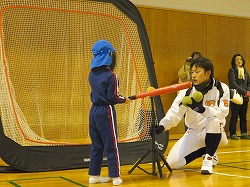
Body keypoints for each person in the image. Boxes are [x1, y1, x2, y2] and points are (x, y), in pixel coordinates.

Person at [154, 56, 230, 174]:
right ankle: (208, 150)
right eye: (192, 72)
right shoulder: (187, 91)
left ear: (208, 73)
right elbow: (175, 111)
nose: (193, 75)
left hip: (214, 129)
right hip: (193, 130)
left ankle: (208, 159)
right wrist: (162, 126)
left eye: (197, 72)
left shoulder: (222, 88)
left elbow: (222, 112)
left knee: (214, 120)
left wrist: (203, 110)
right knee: (172, 163)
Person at [88, 40, 127, 185]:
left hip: (93, 112)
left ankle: (94, 175)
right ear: (109, 55)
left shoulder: (92, 74)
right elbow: (113, 97)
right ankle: (115, 176)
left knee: (97, 144)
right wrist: (125, 100)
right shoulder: (112, 76)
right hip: (106, 111)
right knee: (112, 144)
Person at [228, 54, 250, 140]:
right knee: (235, 116)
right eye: (237, 59)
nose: (239, 61)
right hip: (236, 97)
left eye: (240, 59)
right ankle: (233, 133)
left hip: (245, 97)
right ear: (234, 61)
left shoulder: (245, 71)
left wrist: (247, 91)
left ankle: (244, 133)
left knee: (243, 116)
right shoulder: (232, 70)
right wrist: (244, 91)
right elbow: (233, 84)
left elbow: (249, 82)